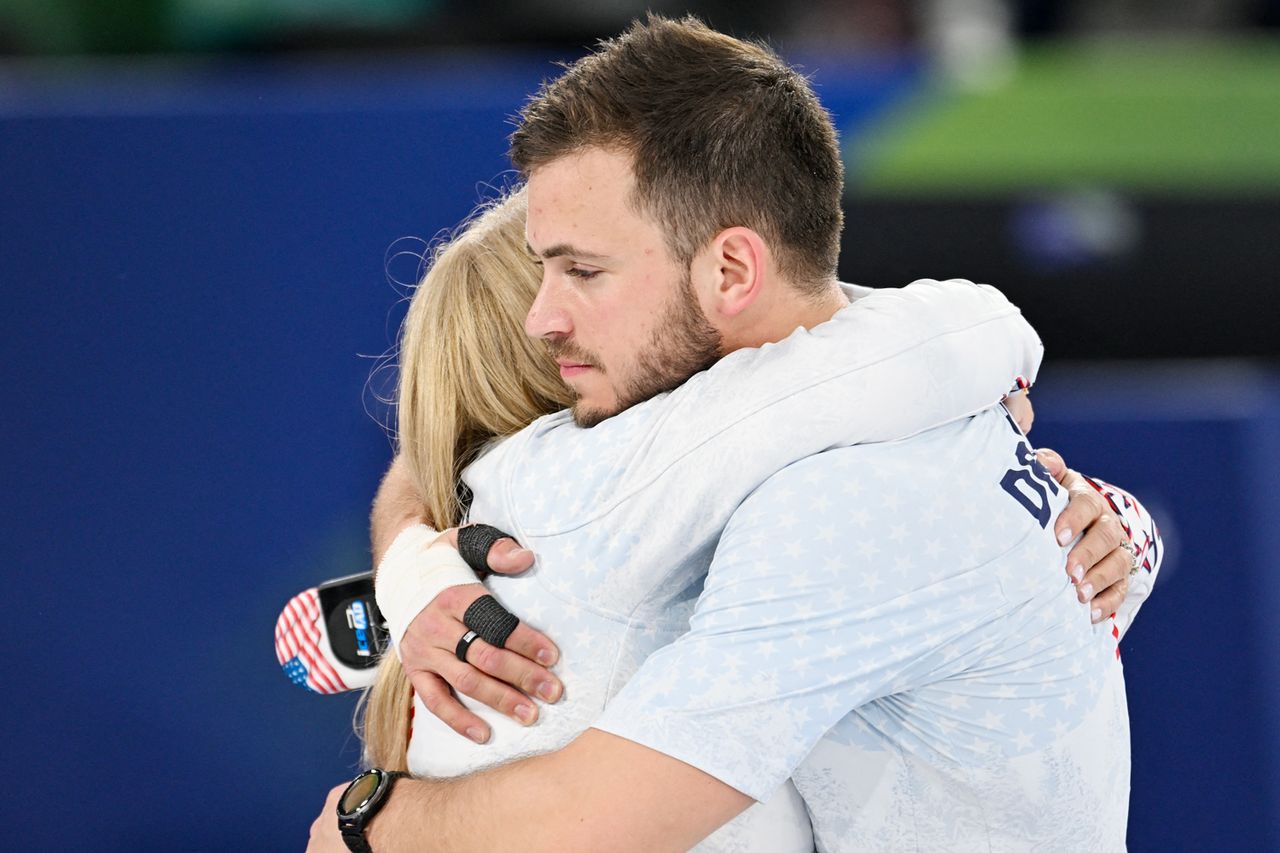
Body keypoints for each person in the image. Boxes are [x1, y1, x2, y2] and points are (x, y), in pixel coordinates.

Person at [309, 15, 1160, 852]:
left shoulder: (839, 496)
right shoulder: (909, 387)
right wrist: (411, 571)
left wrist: (365, 819)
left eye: (582, 271)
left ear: (731, 270)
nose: (544, 318)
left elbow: (597, 817)